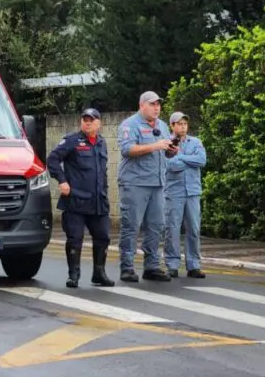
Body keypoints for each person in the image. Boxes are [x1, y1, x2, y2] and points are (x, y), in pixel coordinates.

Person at [46, 108, 115, 288]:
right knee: (75, 238)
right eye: (85, 119)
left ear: (99, 123)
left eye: (91, 120)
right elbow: (52, 159)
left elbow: (102, 171)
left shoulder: (101, 143)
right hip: (76, 200)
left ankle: (99, 273)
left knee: (102, 237)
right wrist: (62, 181)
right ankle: (74, 275)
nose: (87, 122)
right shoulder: (72, 141)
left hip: (98, 201)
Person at [116, 91, 177, 283]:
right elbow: (127, 149)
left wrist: (171, 151)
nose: (157, 107)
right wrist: (156, 146)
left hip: (157, 183)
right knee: (131, 225)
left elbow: (165, 152)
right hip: (135, 182)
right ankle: (127, 267)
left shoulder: (163, 126)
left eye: (158, 104)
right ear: (142, 105)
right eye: (152, 104)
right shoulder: (130, 124)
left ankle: (151, 266)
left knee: (157, 226)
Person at [163, 111, 207, 278]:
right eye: (179, 123)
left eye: (185, 124)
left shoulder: (196, 142)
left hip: (193, 191)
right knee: (172, 229)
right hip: (174, 191)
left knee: (194, 229)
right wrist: (189, 159)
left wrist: (180, 156)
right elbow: (171, 165)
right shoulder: (166, 143)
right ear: (172, 125)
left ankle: (193, 265)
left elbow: (201, 161)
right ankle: (172, 264)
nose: (183, 126)